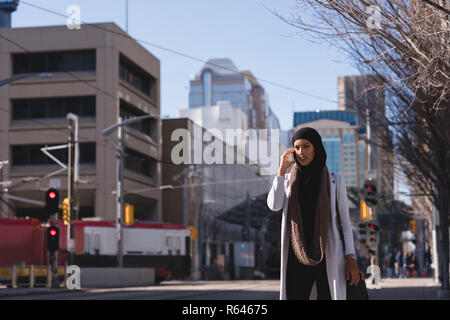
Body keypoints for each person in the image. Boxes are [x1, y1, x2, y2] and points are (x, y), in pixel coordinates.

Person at [267, 127, 363, 300]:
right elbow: (274, 205)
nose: (301, 152)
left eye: (306, 146)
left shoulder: (335, 180)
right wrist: (281, 171)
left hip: (327, 254)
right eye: (296, 147)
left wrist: (351, 257)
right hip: (296, 255)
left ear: (316, 148)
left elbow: (345, 222)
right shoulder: (288, 181)